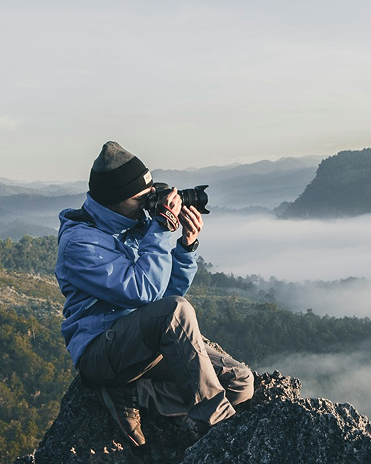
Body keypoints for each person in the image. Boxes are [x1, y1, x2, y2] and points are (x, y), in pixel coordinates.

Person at [55, 141, 254, 447]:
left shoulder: (135, 226)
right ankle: (219, 430)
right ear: (115, 200)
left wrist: (186, 248)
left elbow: (164, 297)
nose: (149, 204)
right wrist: (160, 229)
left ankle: (133, 393)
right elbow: (146, 293)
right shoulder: (80, 244)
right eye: (142, 198)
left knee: (240, 382)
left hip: (142, 344)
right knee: (177, 310)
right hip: (101, 351)